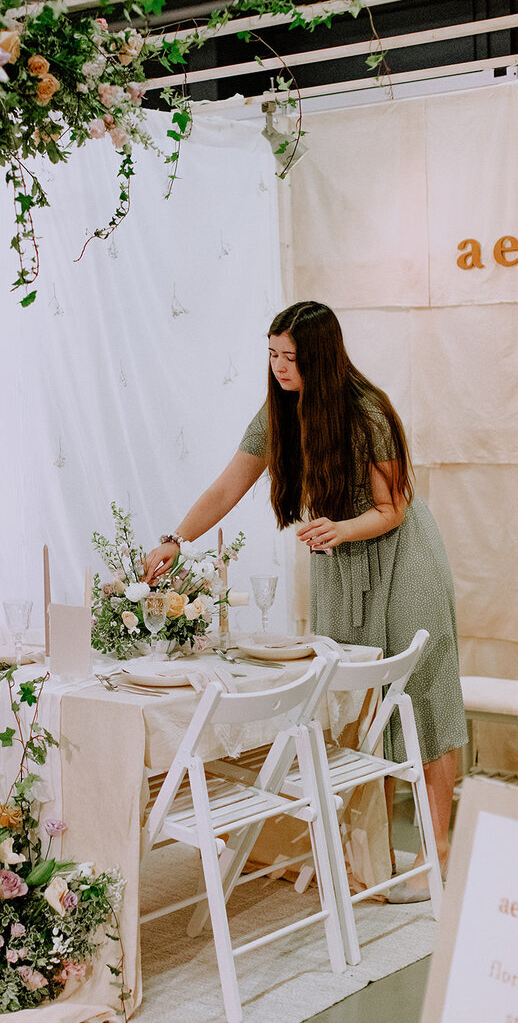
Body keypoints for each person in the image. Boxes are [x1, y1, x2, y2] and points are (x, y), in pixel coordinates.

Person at [144, 300, 467, 902]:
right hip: (340, 565)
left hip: (401, 559)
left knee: (421, 696)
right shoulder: (276, 417)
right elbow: (226, 486)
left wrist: (342, 529)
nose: (278, 367)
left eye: (289, 357)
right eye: (271, 355)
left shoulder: (367, 413)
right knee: (347, 699)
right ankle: (357, 848)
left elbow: (392, 508)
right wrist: (175, 541)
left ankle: (437, 847)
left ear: (319, 358)